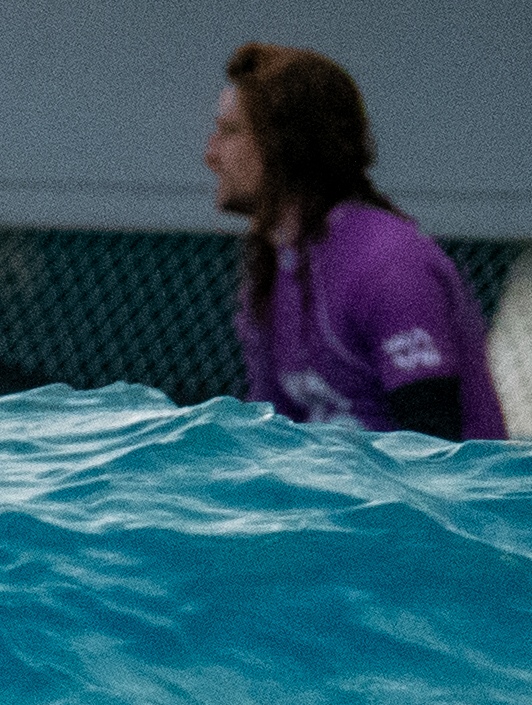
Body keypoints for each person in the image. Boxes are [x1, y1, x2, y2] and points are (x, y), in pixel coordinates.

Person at [208, 42, 498, 442]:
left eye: (229, 131)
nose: (210, 154)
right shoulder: (278, 271)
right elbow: (272, 445)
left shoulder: (389, 266)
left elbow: (436, 453)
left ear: (284, 145)